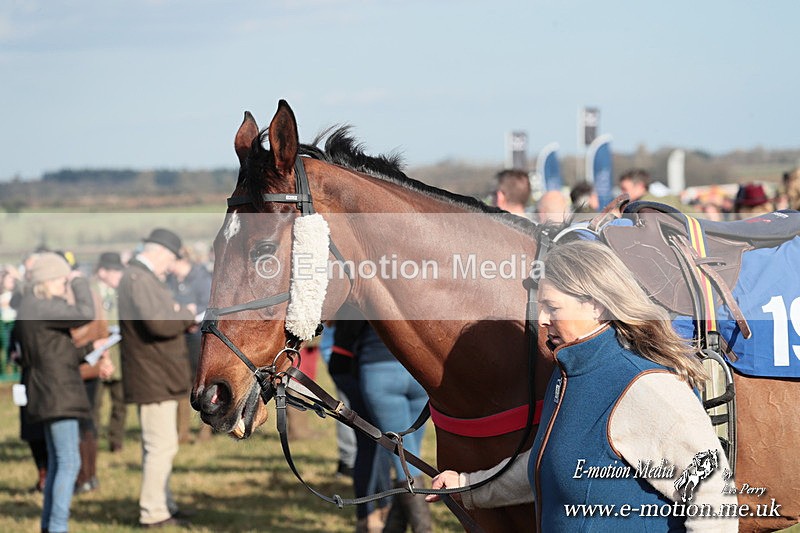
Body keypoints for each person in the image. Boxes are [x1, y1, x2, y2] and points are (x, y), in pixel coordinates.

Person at [427, 240, 737, 532]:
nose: (543, 319)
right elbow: (550, 466)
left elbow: (713, 497)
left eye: (553, 307)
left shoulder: (646, 387)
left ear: (596, 306)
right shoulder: (566, 374)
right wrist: (469, 486)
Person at [14, 252, 105, 533]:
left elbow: (54, 350)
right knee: (69, 461)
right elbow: (84, 313)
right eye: (61, 281)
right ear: (48, 281)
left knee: (58, 462)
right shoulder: (41, 307)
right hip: (58, 394)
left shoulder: (32, 308)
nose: (63, 286)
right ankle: (57, 527)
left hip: (49, 390)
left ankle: (50, 525)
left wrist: (93, 352)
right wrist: (78, 281)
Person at [118, 228, 197, 528]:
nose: (171, 265)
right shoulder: (137, 278)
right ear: (160, 252)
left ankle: (165, 504)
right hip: (152, 375)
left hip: (157, 373)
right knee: (159, 447)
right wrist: (186, 314)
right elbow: (158, 323)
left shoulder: (141, 277)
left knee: (163, 446)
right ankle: (153, 512)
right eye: (171, 258)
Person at [166, 246, 212, 444]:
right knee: (181, 383)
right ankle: (181, 432)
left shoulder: (202, 278)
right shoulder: (171, 281)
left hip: (198, 336)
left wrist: (192, 317)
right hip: (179, 336)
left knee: (201, 384)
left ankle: (205, 431)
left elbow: (211, 305)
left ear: (180, 261)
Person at [90, 251, 127, 453]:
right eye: (114, 271)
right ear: (102, 272)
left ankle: (116, 441)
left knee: (119, 403)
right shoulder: (89, 291)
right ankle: (92, 441)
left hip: (119, 355)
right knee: (94, 404)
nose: (118, 276)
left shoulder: (120, 293)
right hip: (96, 356)